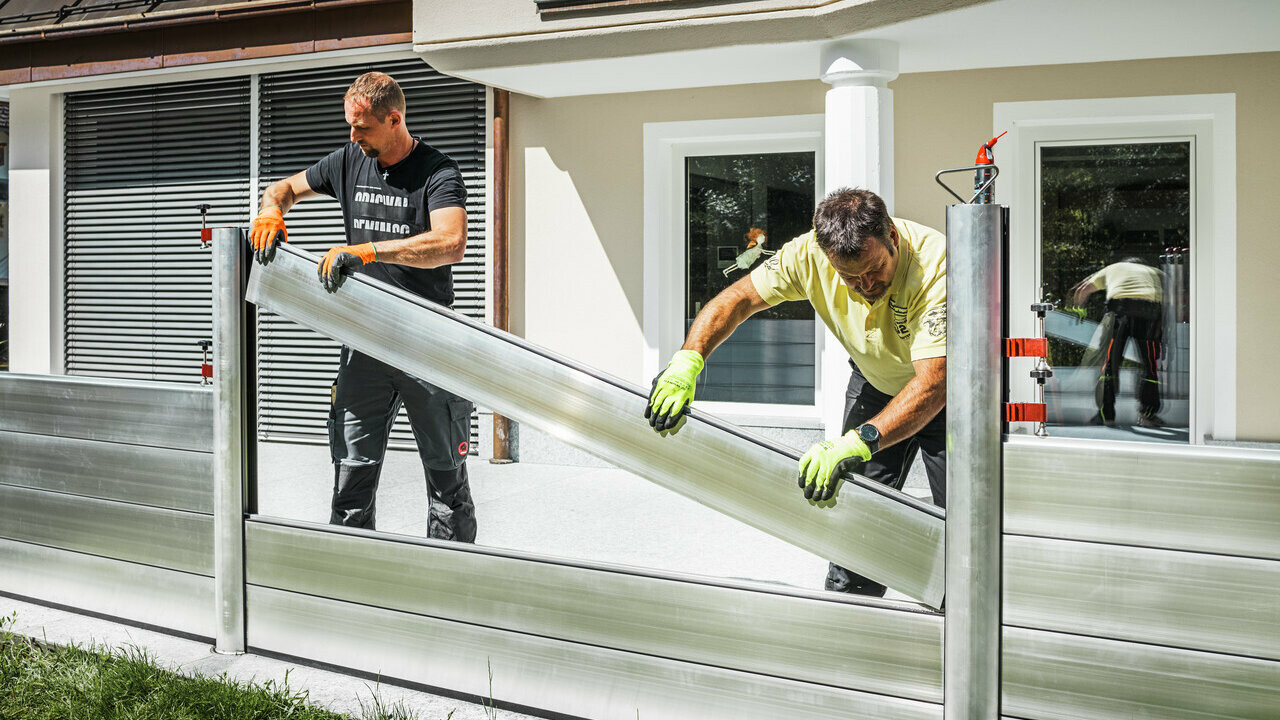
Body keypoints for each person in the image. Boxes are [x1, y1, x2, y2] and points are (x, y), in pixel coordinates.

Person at [645, 187, 947, 597]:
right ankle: (850, 615)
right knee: (854, 512)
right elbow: (738, 299)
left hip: (949, 395)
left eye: (874, 269)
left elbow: (934, 382)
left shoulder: (937, 265)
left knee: (963, 524)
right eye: (849, 276)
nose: (865, 285)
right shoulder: (807, 254)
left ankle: (961, 622)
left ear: (892, 237)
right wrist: (688, 360)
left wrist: (862, 440)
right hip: (876, 381)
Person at [248, 71, 476, 541]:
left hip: (427, 346)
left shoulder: (438, 172)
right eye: (350, 126)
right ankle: (351, 583)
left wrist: (370, 251)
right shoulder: (349, 159)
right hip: (363, 345)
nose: (353, 137)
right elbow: (283, 189)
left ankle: (450, 588)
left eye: (363, 127)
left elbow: (451, 243)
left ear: (394, 119)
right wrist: (271, 209)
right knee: (351, 477)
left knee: (446, 484)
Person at [1070, 257, 1165, 429]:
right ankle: (1147, 415)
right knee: (1150, 366)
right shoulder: (1155, 272)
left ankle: (1107, 416)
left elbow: (1082, 290)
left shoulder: (1113, 268)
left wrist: (1079, 311)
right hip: (1148, 313)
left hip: (1119, 310)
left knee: (1110, 364)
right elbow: (1175, 294)